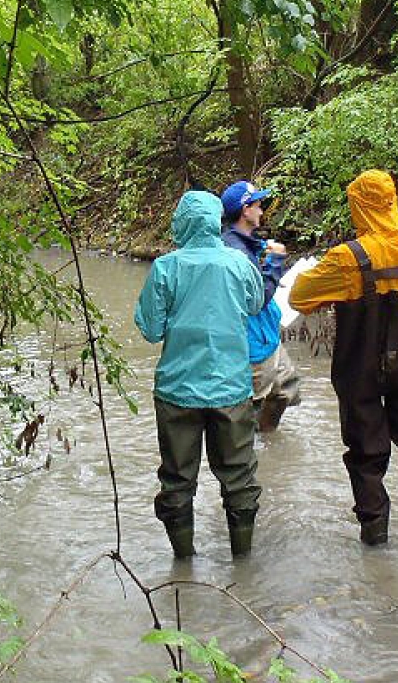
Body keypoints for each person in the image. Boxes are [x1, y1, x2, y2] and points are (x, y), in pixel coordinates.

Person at [288, 170, 398, 547]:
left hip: (360, 369)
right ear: (393, 201)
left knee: (365, 451)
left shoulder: (347, 259)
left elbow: (299, 297)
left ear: (359, 206)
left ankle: (375, 537)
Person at [134, 190, 264, 559]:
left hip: (177, 391)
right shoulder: (239, 264)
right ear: (216, 221)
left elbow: (151, 329)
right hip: (231, 390)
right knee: (239, 479)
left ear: (182, 222)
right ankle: (243, 565)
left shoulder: (165, 268)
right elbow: (255, 305)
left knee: (177, 481)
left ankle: (183, 566)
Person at [220, 180, 302, 432]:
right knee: (248, 410)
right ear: (245, 211)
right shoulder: (237, 252)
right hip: (253, 345)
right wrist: (276, 261)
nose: (261, 211)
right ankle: (254, 460)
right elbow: (258, 298)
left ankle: (268, 441)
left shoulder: (242, 244)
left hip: (266, 338)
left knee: (286, 388)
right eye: (257, 205)